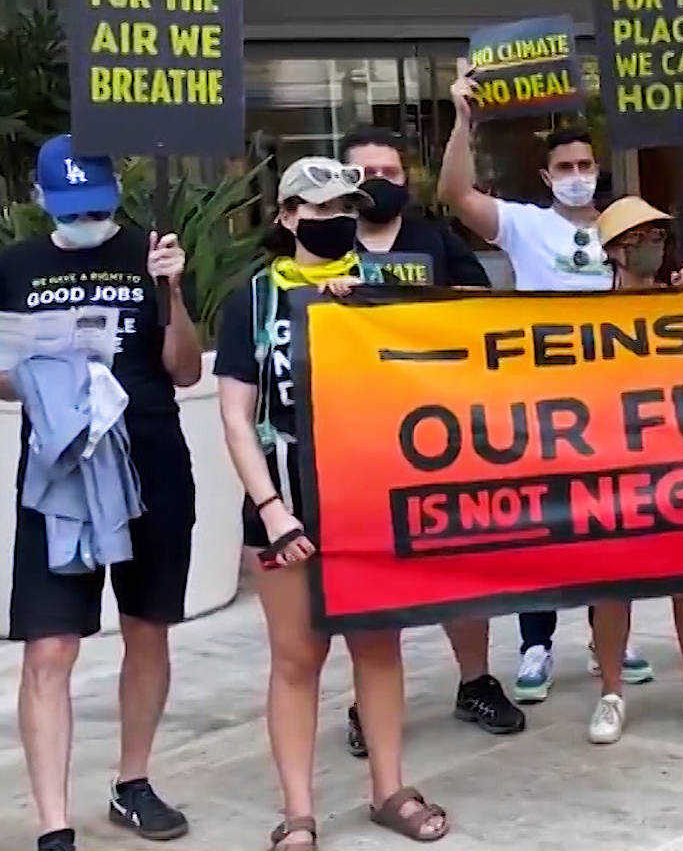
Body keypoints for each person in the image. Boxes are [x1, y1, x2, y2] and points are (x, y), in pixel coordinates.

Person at [214, 157, 451, 849]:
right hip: (285, 500)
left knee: (378, 649)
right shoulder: (252, 301)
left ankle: (389, 788)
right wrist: (272, 510)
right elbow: (236, 415)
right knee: (296, 658)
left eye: (346, 209)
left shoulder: (383, 288)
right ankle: (297, 811)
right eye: (318, 212)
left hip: (367, 503)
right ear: (287, 218)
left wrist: (366, 315)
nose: (336, 222)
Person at [0, 136, 203, 851]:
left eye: (100, 208)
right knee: (49, 647)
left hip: (149, 465)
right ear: (41, 198)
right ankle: (54, 825)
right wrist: (47, 367)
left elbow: (185, 371)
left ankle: (132, 781)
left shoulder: (150, 252)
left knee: (147, 628)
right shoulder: (18, 266)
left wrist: (172, 290)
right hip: (59, 476)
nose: (89, 220)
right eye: (75, 209)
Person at [437, 81, 651, 700]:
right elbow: (455, 194)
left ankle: (610, 636)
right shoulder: (524, 225)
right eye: (566, 167)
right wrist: (462, 120)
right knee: (546, 524)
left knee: (611, 522)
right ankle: (537, 642)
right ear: (546, 174)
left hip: (612, 401)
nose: (578, 175)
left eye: (586, 165)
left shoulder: (625, 225)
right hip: (544, 401)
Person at [335, 129, 522, 755]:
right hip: (355, 436)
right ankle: (370, 701)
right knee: (368, 572)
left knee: (461, 564)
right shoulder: (321, 244)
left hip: (439, 432)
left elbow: (482, 308)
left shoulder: (435, 239)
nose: (382, 182)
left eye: (392, 171)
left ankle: (476, 682)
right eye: (368, 172)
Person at [580, 195, 683, 744]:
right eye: (641, 239)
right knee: (613, 585)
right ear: (615, 251)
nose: (653, 247)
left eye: (659, 236)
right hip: (613, 466)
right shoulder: (585, 316)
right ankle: (612, 693)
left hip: (678, 462)